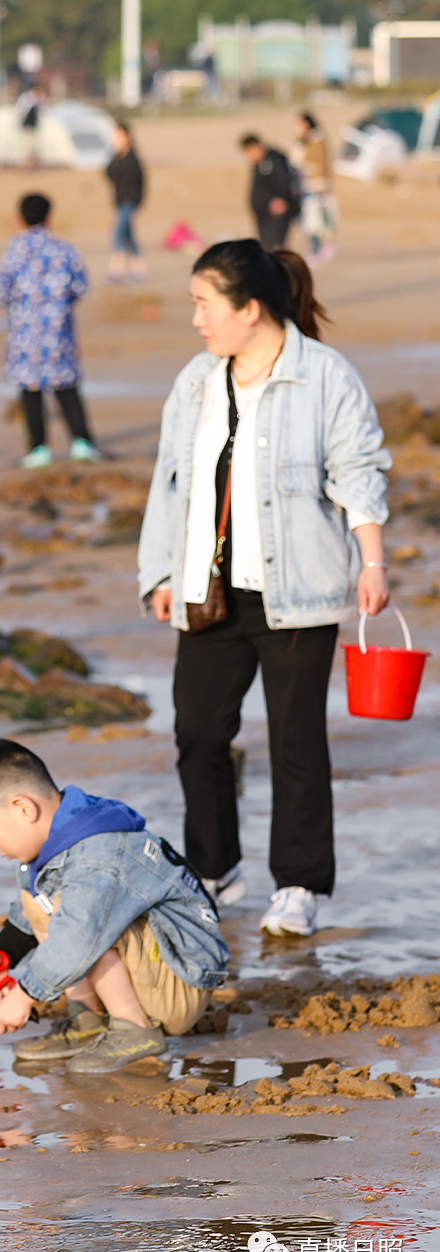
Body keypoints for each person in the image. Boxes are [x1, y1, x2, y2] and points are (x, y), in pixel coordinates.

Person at [138, 241, 390, 938]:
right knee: (198, 731)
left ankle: (301, 885)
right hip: (210, 591)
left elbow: (359, 470)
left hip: (300, 592)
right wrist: (159, 572)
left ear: (249, 309)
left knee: (297, 741)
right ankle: (214, 870)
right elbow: (170, 483)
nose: (196, 320)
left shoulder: (325, 377)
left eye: (204, 305)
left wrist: (373, 562)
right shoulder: (196, 380)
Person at [0, 739, 229, 1072]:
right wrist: (3, 953)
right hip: (156, 966)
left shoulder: (97, 857)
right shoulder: (69, 830)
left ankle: (135, 1029)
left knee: (79, 918)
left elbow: (77, 936)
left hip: (180, 979)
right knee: (44, 898)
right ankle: (89, 1019)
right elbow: (35, 906)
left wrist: (24, 996)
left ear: (24, 808)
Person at [0, 193, 102, 468]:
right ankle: (81, 442)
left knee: (31, 391)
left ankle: (39, 448)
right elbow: (81, 287)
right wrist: (59, 306)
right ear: (50, 217)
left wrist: (24, 307)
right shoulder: (65, 250)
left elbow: (0, 292)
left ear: (19, 220)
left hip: (25, 336)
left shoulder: (14, 252)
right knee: (67, 387)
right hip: (59, 332)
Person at [239, 134, 300, 252]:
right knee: (266, 247)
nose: (248, 156)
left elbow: (285, 180)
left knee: (276, 247)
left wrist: (282, 198)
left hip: (276, 213)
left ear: (256, 147)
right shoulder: (260, 163)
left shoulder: (274, 160)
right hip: (264, 214)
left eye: (249, 152)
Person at [104, 120, 147, 282]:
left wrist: (139, 201)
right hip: (120, 200)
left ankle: (116, 269)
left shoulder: (133, 157)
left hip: (131, 201)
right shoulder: (117, 156)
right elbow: (108, 173)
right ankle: (140, 267)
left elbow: (140, 180)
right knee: (129, 235)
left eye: (119, 134)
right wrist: (114, 153)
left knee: (118, 233)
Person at [292, 111, 337, 263]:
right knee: (308, 221)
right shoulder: (301, 141)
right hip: (303, 185)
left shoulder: (317, 139)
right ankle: (315, 249)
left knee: (320, 220)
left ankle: (324, 249)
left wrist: (322, 184)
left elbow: (322, 163)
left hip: (316, 186)